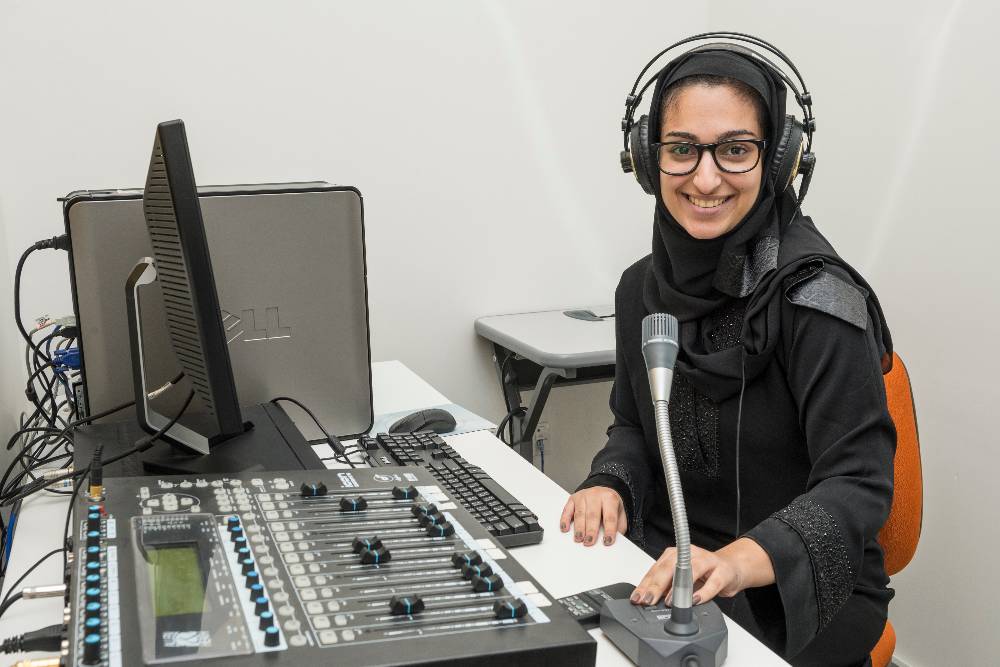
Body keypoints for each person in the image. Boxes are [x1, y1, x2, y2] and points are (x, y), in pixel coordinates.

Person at [560, 41, 895, 667]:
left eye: (735, 150)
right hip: (673, 556)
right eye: (681, 149)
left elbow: (860, 482)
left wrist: (742, 560)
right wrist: (609, 481)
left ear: (779, 162)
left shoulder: (819, 301)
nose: (705, 178)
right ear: (646, 159)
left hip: (798, 581)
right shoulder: (641, 288)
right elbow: (635, 424)